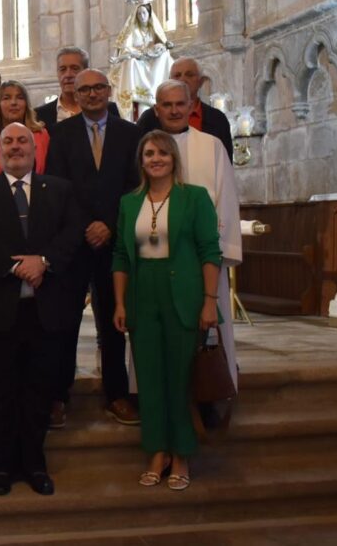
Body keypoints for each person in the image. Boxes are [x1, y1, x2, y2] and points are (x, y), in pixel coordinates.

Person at [0, 123, 84, 497]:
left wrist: (43, 261)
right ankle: (0, 466)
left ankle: (34, 464)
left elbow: (72, 232)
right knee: (1, 392)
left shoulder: (59, 190)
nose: (16, 147)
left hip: (46, 311)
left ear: (35, 148)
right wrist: (14, 266)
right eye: (8, 142)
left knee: (39, 390)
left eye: (23, 141)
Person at [112, 130, 221, 491]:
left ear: (174, 158)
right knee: (149, 379)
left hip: (183, 295)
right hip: (142, 294)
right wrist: (120, 302)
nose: (155, 159)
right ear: (141, 161)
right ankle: (157, 452)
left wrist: (209, 300)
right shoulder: (130, 202)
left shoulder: (195, 197)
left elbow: (210, 251)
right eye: (149, 154)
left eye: (162, 153)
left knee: (179, 378)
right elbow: (121, 256)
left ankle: (182, 453)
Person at [46, 69, 144, 430]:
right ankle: (58, 395)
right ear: (75, 93)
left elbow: (136, 185)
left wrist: (110, 224)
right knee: (65, 322)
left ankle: (116, 394)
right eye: (84, 89)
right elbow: (57, 186)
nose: (91, 94)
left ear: (108, 90)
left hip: (114, 242)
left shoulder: (130, 133)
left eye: (98, 87)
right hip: (75, 242)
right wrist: (86, 225)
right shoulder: (61, 134)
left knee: (114, 321)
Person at [151, 80, 242, 390]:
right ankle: (167, 397)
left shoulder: (211, 146)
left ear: (191, 106)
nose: (174, 110)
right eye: (167, 105)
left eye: (180, 104)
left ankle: (212, 393)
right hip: (159, 258)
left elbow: (226, 199)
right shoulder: (147, 147)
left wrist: (218, 250)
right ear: (156, 109)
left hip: (203, 258)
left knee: (208, 327)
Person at [137, 57, 235, 161]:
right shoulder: (149, 118)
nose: (183, 80)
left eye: (189, 75)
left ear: (201, 81)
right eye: (177, 75)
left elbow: (224, 161)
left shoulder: (217, 119)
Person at [108, 3, 175, 119]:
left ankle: (159, 90)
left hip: (151, 60)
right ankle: (136, 96)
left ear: (149, 14)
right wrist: (139, 53)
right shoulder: (133, 30)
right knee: (131, 63)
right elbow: (126, 48)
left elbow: (161, 44)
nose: (142, 16)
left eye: (144, 13)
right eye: (139, 14)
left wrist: (163, 47)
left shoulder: (153, 29)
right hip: (137, 59)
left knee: (165, 56)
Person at [0, 79, 50, 176]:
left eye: (20, 98)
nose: (13, 102)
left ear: (26, 104)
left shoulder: (42, 135)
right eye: (6, 98)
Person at [35, 47, 121, 129]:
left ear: (86, 71)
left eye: (74, 68)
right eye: (63, 69)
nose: (68, 75)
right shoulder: (40, 114)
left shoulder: (108, 108)